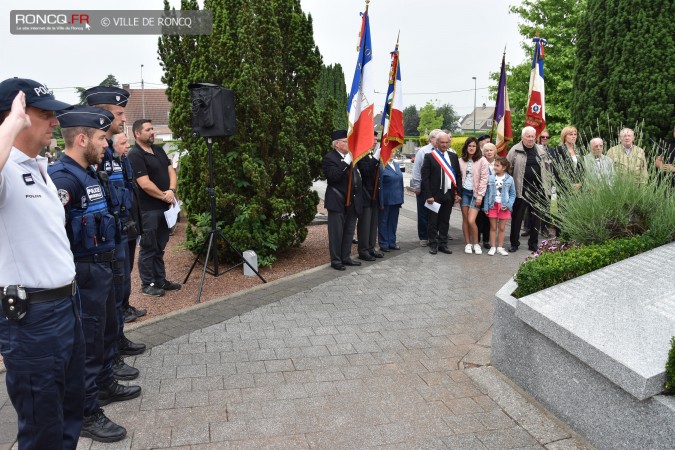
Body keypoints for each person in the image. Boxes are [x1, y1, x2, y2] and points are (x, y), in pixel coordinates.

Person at [0, 79, 85, 449]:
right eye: (44, 113)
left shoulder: (39, 167)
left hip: (66, 305)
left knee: (69, 413)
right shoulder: (6, 171)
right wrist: (11, 122)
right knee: (41, 427)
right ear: (14, 118)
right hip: (33, 318)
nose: (55, 121)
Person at [49, 105, 142, 443]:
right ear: (83, 138)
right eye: (103, 138)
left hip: (102, 267)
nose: (108, 144)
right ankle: (87, 412)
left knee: (102, 335)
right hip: (84, 271)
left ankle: (103, 385)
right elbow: (53, 232)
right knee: (87, 344)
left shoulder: (89, 173)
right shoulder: (63, 177)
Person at [84, 86, 146, 381]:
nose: (123, 119)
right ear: (104, 113)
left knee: (120, 291)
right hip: (104, 238)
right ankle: (111, 356)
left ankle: (117, 342)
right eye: (119, 113)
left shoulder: (112, 152)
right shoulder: (93, 153)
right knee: (107, 301)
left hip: (120, 230)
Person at [127, 119, 181, 295]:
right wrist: (164, 195)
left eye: (153, 129)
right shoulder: (135, 155)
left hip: (165, 208)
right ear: (137, 133)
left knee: (160, 245)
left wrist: (172, 190)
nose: (153, 132)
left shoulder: (158, 150)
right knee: (149, 247)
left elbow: (171, 170)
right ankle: (147, 284)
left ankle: (160, 279)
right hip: (149, 210)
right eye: (149, 129)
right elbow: (144, 183)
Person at [112, 132, 147, 323]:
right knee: (121, 272)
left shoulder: (124, 162)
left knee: (128, 268)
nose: (127, 146)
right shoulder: (108, 165)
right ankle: (121, 309)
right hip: (121, 224)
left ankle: (126, 305)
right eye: (123, 143)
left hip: (131, 222)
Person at [322, 129, 363, 270]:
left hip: (352, 201)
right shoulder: (329, 158)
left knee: (349, 231)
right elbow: (334, 177)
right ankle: (336, 260)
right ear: (337, 144)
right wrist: (345, 162)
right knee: (336, 233)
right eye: (346, 141)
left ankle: (346, 257)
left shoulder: (351, 157)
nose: (348, 143)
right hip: (337, 201)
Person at [506, 126, 551, 252]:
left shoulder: (541, 150)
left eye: (532, 136)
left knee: (535, 219)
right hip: (520, 190)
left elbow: (547, 169)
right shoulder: (515, 150)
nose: (531, 139)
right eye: (528, 136)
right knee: (517, 218)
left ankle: (533, 244)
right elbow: (507, 169)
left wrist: (546, 187)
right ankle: (514, 243)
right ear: (522, 137)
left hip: (538, 190)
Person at [421, 131, 462, 255]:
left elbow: (458, 176)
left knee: (445, 220)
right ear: (436, 143)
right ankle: (433, 244)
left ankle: (443, 244)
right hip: (434, 194)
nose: (444, 145)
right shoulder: (429, 156)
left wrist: (458, 192)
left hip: (448, 193)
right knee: (433, 221)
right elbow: (425, 178)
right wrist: (428, 195)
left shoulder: (453, 156)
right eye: (442, 142)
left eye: (446, 142)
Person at [458, 137, 489, 254]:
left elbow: (484, 178)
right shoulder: (460, 160)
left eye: (474, 146)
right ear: (466, 147)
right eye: (469, 146)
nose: (471, 148)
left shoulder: (482, 161)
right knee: (465, 219)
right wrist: (457, 193)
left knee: (472, 220)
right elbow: (457, 177)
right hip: (464, 192)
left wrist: (480, 196)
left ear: (477, 148)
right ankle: (467, 244)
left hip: (476, 194)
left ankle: (476, 244)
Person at [411, 129, 441, 247]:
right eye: (437, 138)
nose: (439, 141)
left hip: (437, 188)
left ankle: (433, 235)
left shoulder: (443, 151)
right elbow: (417, 169)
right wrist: (417, 185)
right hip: (424, 187)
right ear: (431, 139)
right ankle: (423, 237)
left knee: (435, 212)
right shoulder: (423, 151)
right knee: (423, 213)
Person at [356, 131, 384, 260]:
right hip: (366, 194)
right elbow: (366, 171)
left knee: (373, 224)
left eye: (376, 139)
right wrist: (376, 158)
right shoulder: (362, 155)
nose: (375, 142)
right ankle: (363, 250)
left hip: (375, 194)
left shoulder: (372, 154)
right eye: (373, 139)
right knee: (365, 224)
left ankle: (371, 247)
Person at [483, 157, 516, 256]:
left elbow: (513, 194)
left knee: (501, 228)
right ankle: (493, 247)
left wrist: (509, 205)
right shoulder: (491, 178)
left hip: (504, 206)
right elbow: (487, 193)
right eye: (494, 165)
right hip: (492, 205)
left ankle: (500, 247)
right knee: (493, 227)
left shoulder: (510, 179)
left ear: (504, 167)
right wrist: (485, 207)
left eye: (497, 165)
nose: (495, 167)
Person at [378, 155, 404, 252]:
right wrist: (380, 201)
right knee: (383, 222)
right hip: (386, 200)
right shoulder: (381, 166)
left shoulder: (396, 165)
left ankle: (392, 242)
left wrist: (401, 198)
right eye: (389, 152)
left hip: (396, 199)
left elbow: (400, 182)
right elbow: (379, 185)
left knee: (393, 222)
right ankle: (384, 243)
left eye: (393, 152)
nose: (392, 154)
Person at [475, 135, 492, 248]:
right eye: (486, 150)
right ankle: (477, 240)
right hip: (481, 192)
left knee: (489, 219)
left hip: (492, 194)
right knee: (479, 217)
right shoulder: (480, 161)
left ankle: (487, 240)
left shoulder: (498, 162)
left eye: (491, 150)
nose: (489, 152)